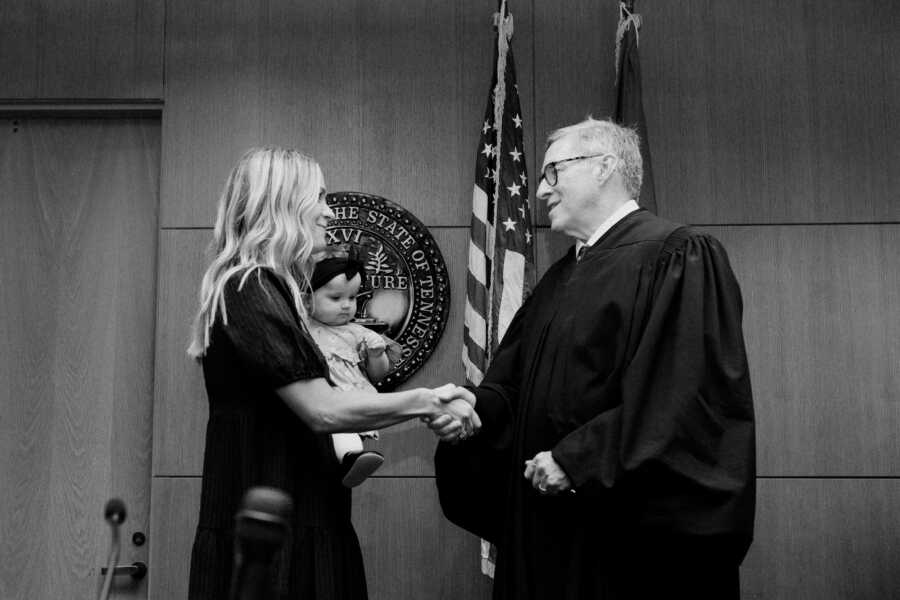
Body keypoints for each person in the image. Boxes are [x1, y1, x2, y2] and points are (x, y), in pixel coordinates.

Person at [434, 118, 756, 600]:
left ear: (605, 167)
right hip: (550, 528)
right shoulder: (562, 276)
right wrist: (475, 411)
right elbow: (515, 385)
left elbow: (686, 397)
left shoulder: (677, 255)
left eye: (553, 173)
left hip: (626, 540)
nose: (542, 191)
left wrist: (579, 459)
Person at [186, 146, 478, 600]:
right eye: (317, 196)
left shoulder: (271, 288)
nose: (327, 209)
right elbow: (323, 410)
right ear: (281, 205)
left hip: (298, 521)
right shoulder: (250, 285)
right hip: (276, 539)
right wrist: (426, 400)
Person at [307, 253, 402, 487]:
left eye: (352, 297)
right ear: (307, 298)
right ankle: (349, 459)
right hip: (316, 399)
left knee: (344, 428)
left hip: (347, 398)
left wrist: (377, 355)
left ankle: (351, 460)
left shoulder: (360, 334)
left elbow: (377, 374)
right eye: (336, 297)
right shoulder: (301, 327)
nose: (346, 305)